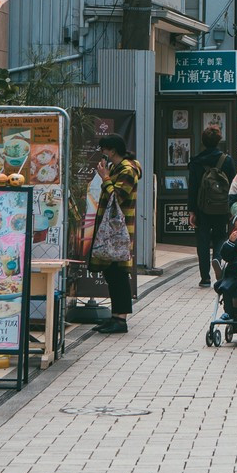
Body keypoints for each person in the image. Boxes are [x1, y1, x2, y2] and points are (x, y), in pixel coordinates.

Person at [90, 135, 141, 334]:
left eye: (104, 149)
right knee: (111, 272)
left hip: (119, 230)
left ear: (111, 150)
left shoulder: (127, 170)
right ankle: (114, 316)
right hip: (112, 229)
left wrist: (106, 179)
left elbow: (118, 197)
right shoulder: (118, 168)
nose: (103, 154)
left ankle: (121, 319)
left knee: (118, 273)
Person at [188, 129, 237, 287]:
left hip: (202, 207)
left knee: (202, 241)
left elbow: (193, 188)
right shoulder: (227, 160)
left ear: (203, 141)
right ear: (219, 141)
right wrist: (232, 208)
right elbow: (233, 186)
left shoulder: (196, 161)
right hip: (222, 207)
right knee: (220, 236)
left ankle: (205, 278)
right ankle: (217, 257)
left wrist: (191, 211)